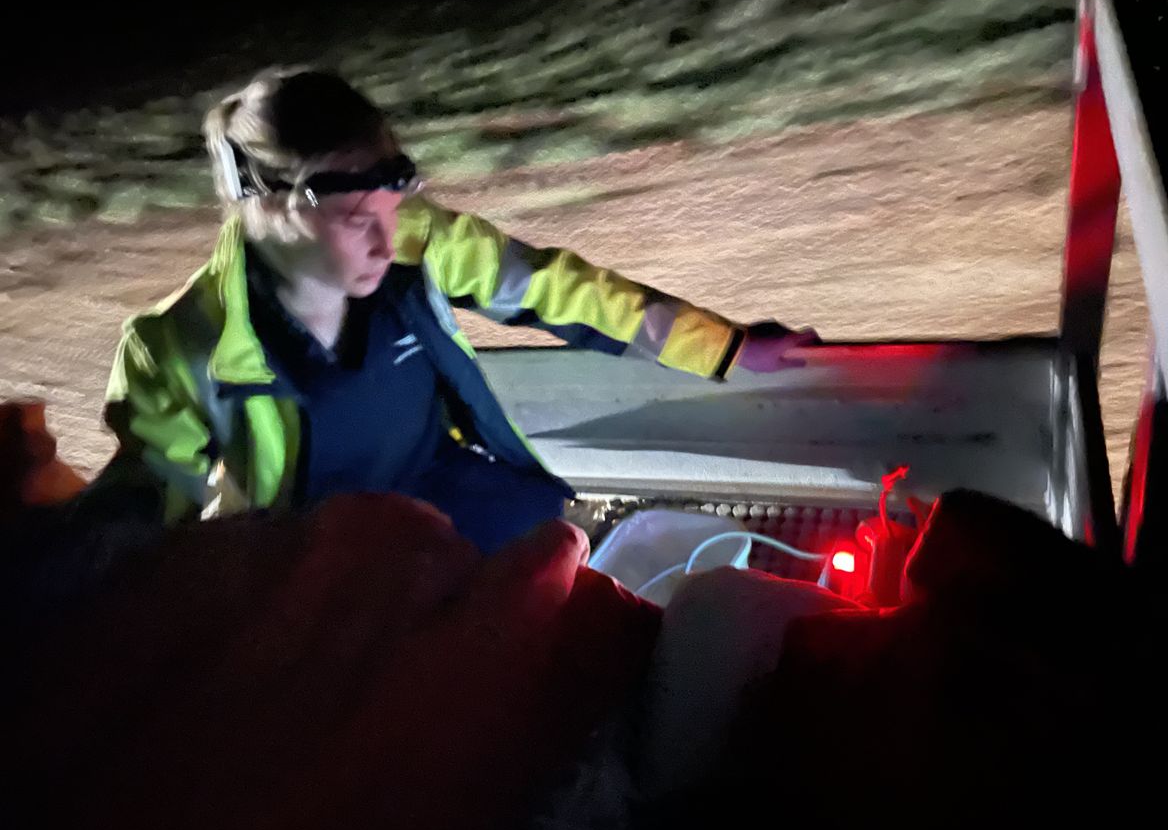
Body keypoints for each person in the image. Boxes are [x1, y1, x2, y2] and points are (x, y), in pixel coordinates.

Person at [94, 67, 818, 552]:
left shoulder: (419, 241)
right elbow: (146, 521)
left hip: (447, 493)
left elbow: (556, 291)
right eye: (356, 220)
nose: (388, 240)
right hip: (316, 558)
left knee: (561, 552)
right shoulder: (177, 345)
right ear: (271, 206)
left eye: (394, 207)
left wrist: (723, 348)